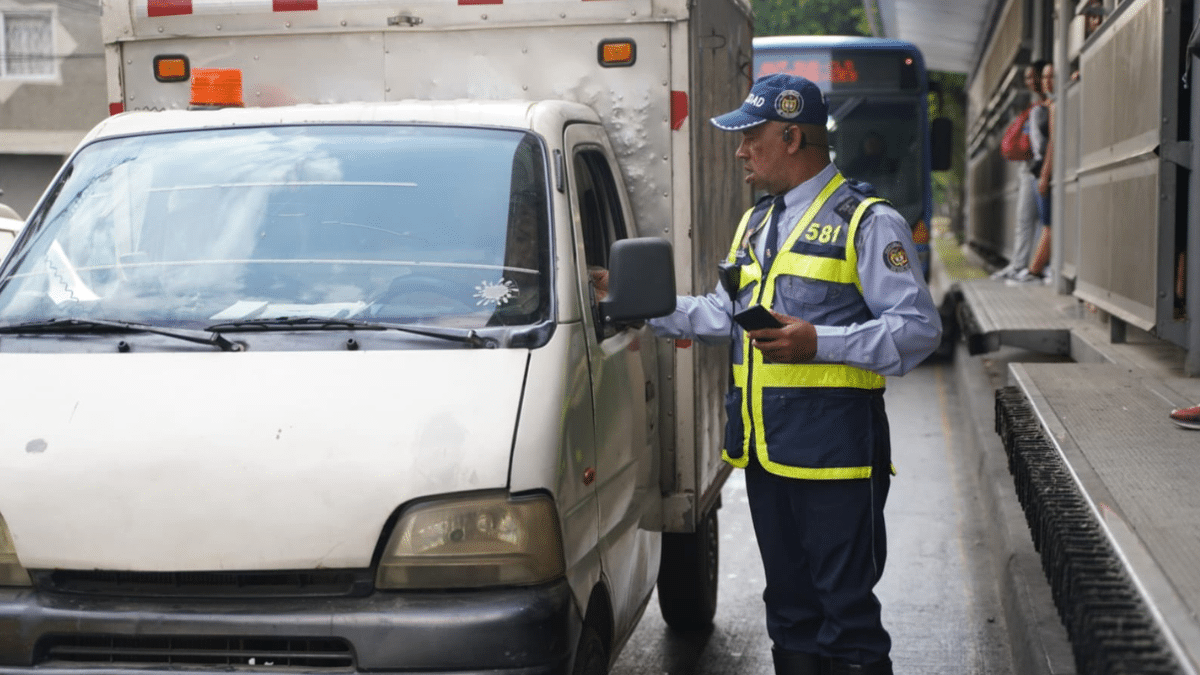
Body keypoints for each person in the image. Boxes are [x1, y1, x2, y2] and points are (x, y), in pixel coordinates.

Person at [598, 73, 941, 675]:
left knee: (846, 618)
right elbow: (722, 314)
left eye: (750, 137)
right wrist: (638, 301)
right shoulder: (757, 222)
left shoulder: (867, 220)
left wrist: (819, 341)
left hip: (837, 459)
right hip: (766, 457)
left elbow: (917, 330)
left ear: (791, 136)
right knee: (788, 612)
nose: (739, 151)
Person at [992, 61, 1049, 281]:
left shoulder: (1045, 106)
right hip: (1031, 167)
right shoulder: (1034, 106)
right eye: (1027, 78)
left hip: (1039, 168)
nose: (1031, 82)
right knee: (1028, 218)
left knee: (1033, 218)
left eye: (1035, 76)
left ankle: (1026, 266)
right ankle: (1021, 264)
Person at [1010, 60, 1055, 285]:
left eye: (1050, 77)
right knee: (1042, 220)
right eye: (1044, 77)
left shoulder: (1050, 108)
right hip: (1040, 170)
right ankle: (1034, 267)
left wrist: (1045, 174)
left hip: (1045, 171)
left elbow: (1052, 144)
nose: (1045, 82)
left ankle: (1037, 268)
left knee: (1046, 222)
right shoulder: (1042, 107)